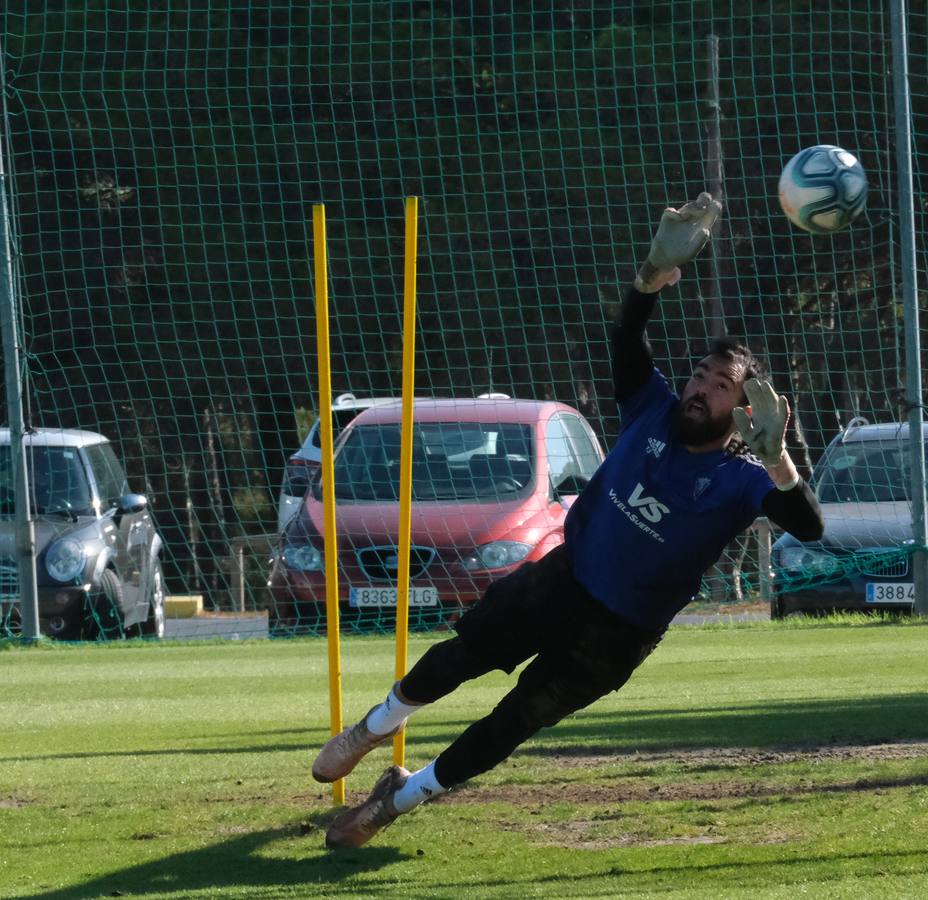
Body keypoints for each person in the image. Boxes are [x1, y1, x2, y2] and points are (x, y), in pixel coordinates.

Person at [315, 192, 825, 850]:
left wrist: (781, 457)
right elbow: (625, 335)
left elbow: (808, 525)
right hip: (564, 577)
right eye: (701, 374)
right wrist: (650, 277)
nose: (700, 388)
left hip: (620, 633)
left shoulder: (745, 476)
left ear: (744, 408)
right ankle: (373, 727)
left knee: (514, 720)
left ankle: (396, 803)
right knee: (465, 654)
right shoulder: (652, 407)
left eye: (720, 385)